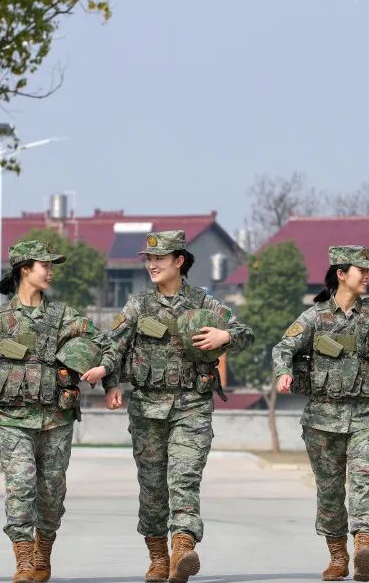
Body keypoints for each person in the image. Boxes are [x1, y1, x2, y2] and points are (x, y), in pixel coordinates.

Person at [272, 245, 369, 582]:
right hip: (322, 420)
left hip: (368, 416)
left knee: (365, 483)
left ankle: (363, 546)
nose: (368, 276)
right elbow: (284, 346)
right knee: (329, 491)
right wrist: (283, 372)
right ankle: (337, 556)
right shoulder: (315, 317)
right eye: (362, 270)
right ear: (342, 274)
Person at [0, 239, 117, 583]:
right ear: (24, 270)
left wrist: (108, 379)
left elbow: (106, 345)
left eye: (51, 266)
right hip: (13, 420)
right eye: (44, 265)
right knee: (20, 487)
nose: (50, 272)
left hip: (58, 420)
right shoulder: (0, 321)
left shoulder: (64, 316)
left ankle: (43, 550)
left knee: (51, 494)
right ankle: (23, 561)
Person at [102, 230, 253, 583]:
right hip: (146, 410)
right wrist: (109, 381)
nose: (152, 265)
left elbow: (245, 332)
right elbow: (114, 347)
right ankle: (158, 557)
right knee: (153, 487)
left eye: (160, 258)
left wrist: (226, 335)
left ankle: (183, 548)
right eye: (149, 259)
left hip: (192, 406)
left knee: (184, 478)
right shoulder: (138, 305)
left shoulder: (204, 303)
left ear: (179, 261)